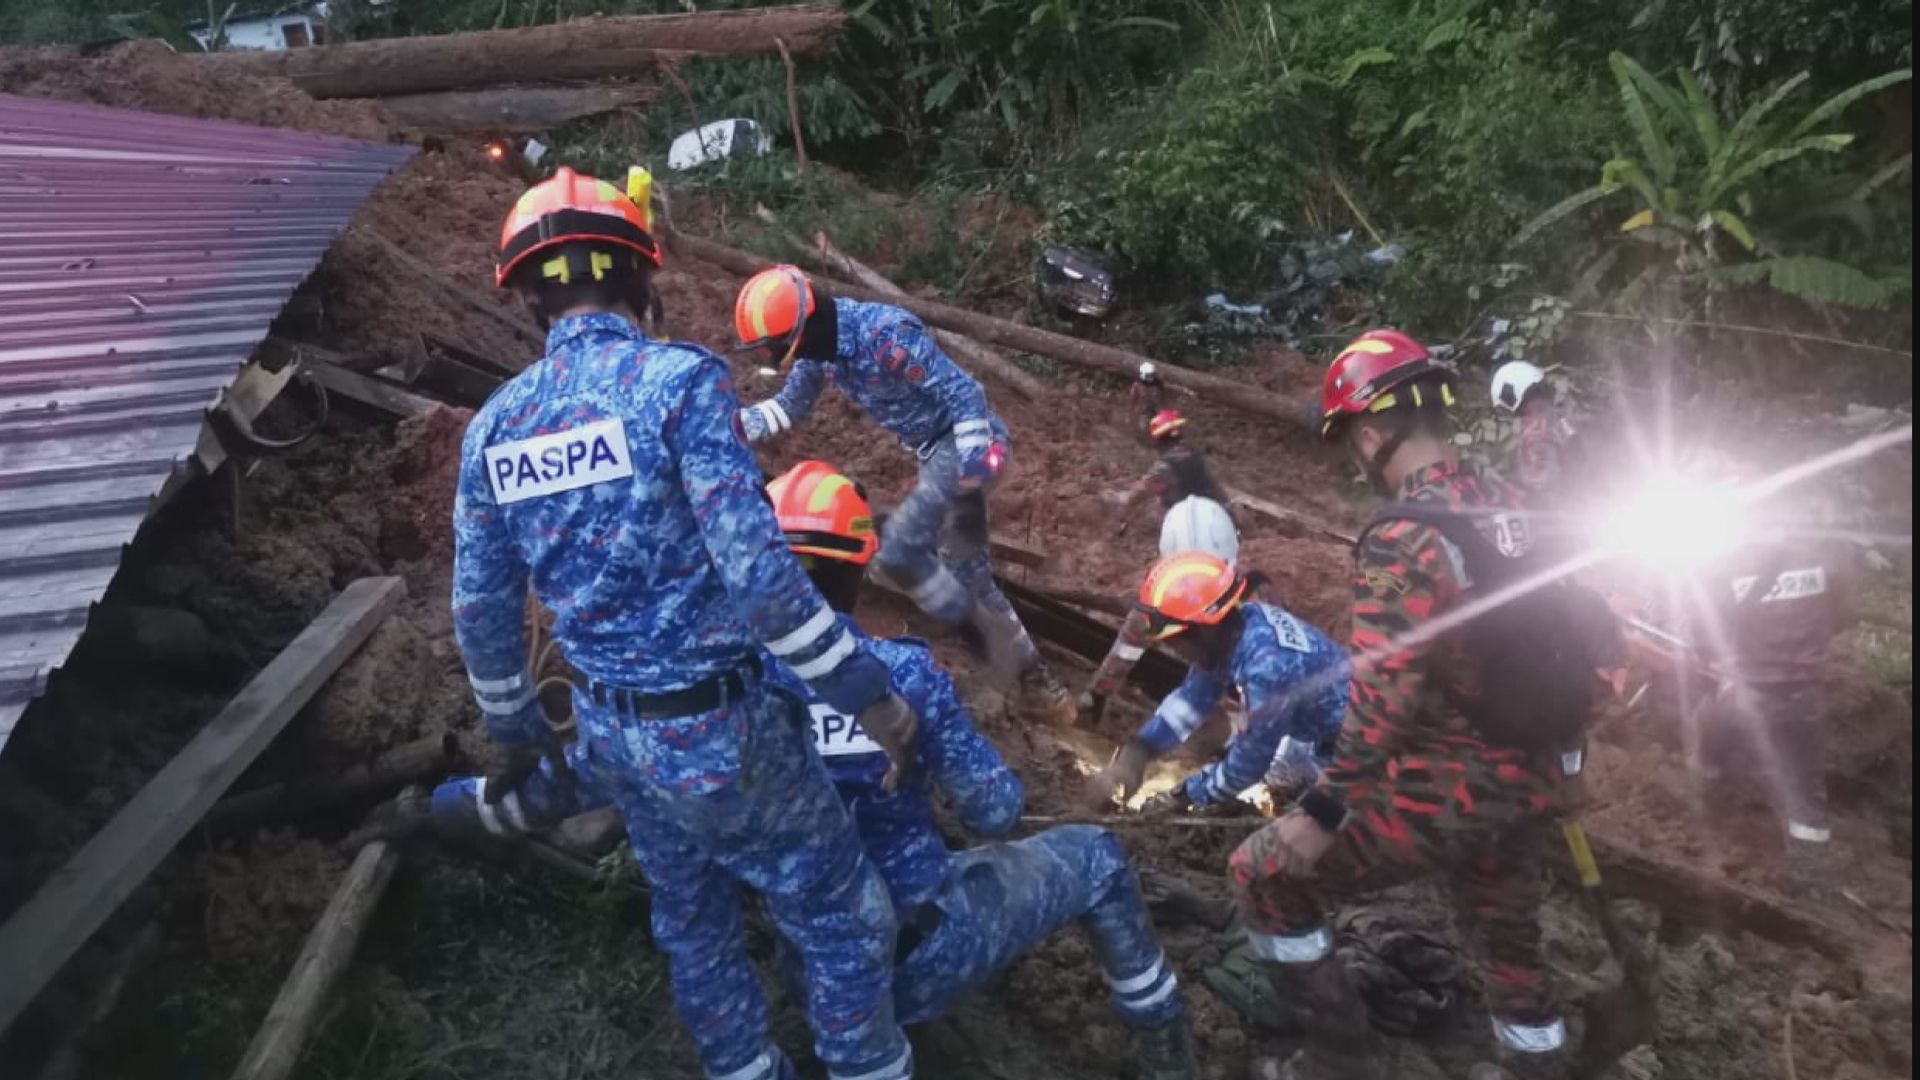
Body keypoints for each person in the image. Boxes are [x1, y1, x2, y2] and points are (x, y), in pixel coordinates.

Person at [425, 460, 1198, 1079]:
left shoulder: (705, 701)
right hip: (922, 952)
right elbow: (996, 811)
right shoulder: (905, 677)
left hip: (808, 973)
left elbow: (554, 788)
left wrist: (442, 805)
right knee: (1099, 859)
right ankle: (1167, 1048)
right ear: (860, 573)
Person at [454, 170, 915, 1080]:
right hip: (722, 732)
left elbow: (480, 609)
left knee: (694, 923)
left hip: (612, 735)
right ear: (642, 280)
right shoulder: (679, 386)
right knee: (841, 912)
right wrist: (873, 699)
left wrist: (515, 737)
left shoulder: (493, 429)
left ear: (527, 296)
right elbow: (762, 579)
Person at [1226, 329, 1581, 1080]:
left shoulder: (1402, 538)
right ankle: (1539, 1065)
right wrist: (1569, 764)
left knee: (1261, 872)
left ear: (1376, 431)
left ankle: (1335, 1057)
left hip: (1448, 787)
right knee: (1512, 952)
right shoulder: (1517, 507)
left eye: (1354, 440)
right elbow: (1579, 646)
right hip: (1533, 776)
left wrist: (1320, 815)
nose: (1357, 457)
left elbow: (1381, 705)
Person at [732, 266, 1073, 723]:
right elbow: (788, 407)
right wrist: (726, 427)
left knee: (899, 550)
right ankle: (1036, 678)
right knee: (968, 572)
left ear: (803, 327)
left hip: (971, 442)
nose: (779, 358)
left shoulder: (883, 334)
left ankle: (984, 641)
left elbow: (966, 394)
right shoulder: (821, 353)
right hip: (933, 454)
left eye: (778, 348)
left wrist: (969, 481)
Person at [1083, 553, 1349, 815]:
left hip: (1360, 743)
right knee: (1279, 781)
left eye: (1174, 641)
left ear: (1203, 629)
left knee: (1315, 822)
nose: (1175, 650)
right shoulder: (1238, 628)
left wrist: (1186, 796)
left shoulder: (1267, 668)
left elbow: (1250, 762)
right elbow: (1192, 699)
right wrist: (1140, 750)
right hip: (1317, 725)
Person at [1691, 500, 1851, 876]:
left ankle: (1714, 826)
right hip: (1806, 693)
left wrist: (1713, 655)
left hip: (1751, 692)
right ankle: (1810, 868)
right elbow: (1841, 613)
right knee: (1805, 778)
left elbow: (1706, 627)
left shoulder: (1730, 563)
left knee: (1711, 732)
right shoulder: (1823, 559)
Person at [1104, 409, 1232, 519]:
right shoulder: (1194, 454)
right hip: (1210, 507)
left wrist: (1122, 497)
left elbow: (1144, 488)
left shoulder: (1164, 465)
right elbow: (1212, 482)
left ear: (1159, 439)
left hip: (1185, 514)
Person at [1491, 360, 1578, 501]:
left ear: (1553, 409)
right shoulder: (1511, 484)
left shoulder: (1581, 446)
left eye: (1540, 410)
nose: (1535, 424)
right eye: (1525, 417)